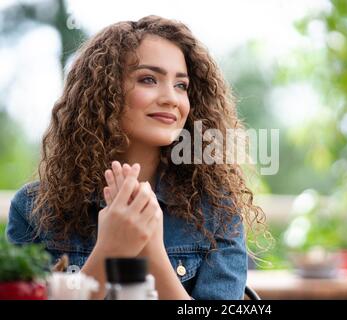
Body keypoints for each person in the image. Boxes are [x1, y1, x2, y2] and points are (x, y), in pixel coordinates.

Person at [6, 15, 267, 300]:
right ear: (105, 93)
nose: (171, 98)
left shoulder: (218, 210)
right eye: (148, 79)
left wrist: (153, 252)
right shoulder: (32, 210)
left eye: (181, 85)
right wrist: (110, 250)